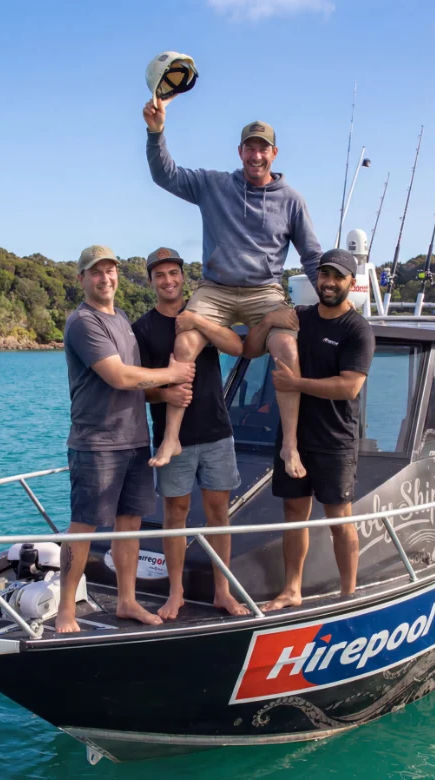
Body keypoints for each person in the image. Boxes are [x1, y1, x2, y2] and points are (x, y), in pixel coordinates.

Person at [143, 96, 323, 480]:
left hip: (264, 291)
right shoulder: (214, 185)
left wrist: (329, 306)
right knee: (185, 341)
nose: (256, 156)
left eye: (263, 149)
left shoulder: (292, 201)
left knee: (287, 348)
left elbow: (311, 255)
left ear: (274, 153)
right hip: (217, 288)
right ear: (240, 151)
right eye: (249, 148)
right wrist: (156, 131)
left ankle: (289, 443)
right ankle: (172, 436)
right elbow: (165, 175)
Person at [58, 245, 196, 633]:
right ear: (82, 279)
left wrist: (163, 392)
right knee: (83, 527)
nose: (105, 278)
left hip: (135, 439)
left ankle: (127, 601)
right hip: (96, 442)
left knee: (129, 526)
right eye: (96, 272)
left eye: (111, 271)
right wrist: (172, 375)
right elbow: (119, 377)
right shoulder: (83, 323)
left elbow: (137, 383)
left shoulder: (120, 318)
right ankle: (66, 609)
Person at [243, 248, 373, 610]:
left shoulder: (357, 330)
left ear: (351, 282)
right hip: (294, 438)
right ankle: (292, 590)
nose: (329, 283)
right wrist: (269, 320)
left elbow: (350, 387)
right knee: (293, 516)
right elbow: (250, 350)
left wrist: (297, 383)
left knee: (339, 519)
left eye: (338, 277)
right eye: (324, 276)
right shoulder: (298, 318)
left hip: (335, 439)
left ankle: (349, 594)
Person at [132, 247, 251, 620]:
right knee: (175, 515)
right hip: (173, 441)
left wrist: (200, 324)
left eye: (174, 273)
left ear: (184, 277)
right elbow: (138, 386)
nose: (168, 280)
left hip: (216, 430)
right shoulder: (143, 329)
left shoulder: (203, 314)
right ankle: (176, 593)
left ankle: (222, 592)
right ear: (150, 281)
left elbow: (239, 346)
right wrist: (164, 392)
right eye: (160, 275)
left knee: (219, 514)